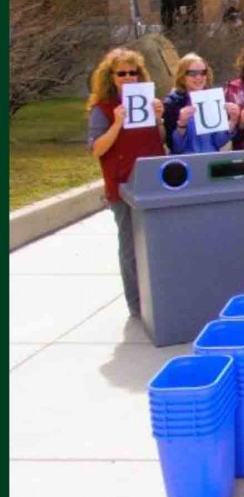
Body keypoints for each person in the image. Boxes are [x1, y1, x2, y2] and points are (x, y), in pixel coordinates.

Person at [86, 48, 166, 317]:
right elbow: (96, 148)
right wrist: (117, 123)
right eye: (122, 73)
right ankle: (136, 303)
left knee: (156, 243)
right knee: (130, 246)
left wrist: (158, 118)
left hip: (154, 182)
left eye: (133, 72)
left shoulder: (148, 101)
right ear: (111, 77)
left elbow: (160, 138)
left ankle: (158, 294)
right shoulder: (103, 109)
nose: (128, 78)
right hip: (124, 186)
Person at [163, 54, 240, 154]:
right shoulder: (172, 103)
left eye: (203, 73)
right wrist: (181, 125)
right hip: (185, 165)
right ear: (182, 76)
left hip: (210, 162)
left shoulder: (212, 99)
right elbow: (176, 148)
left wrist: (233, 121)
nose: (199, 77)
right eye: (192, 73)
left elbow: (218, 142)